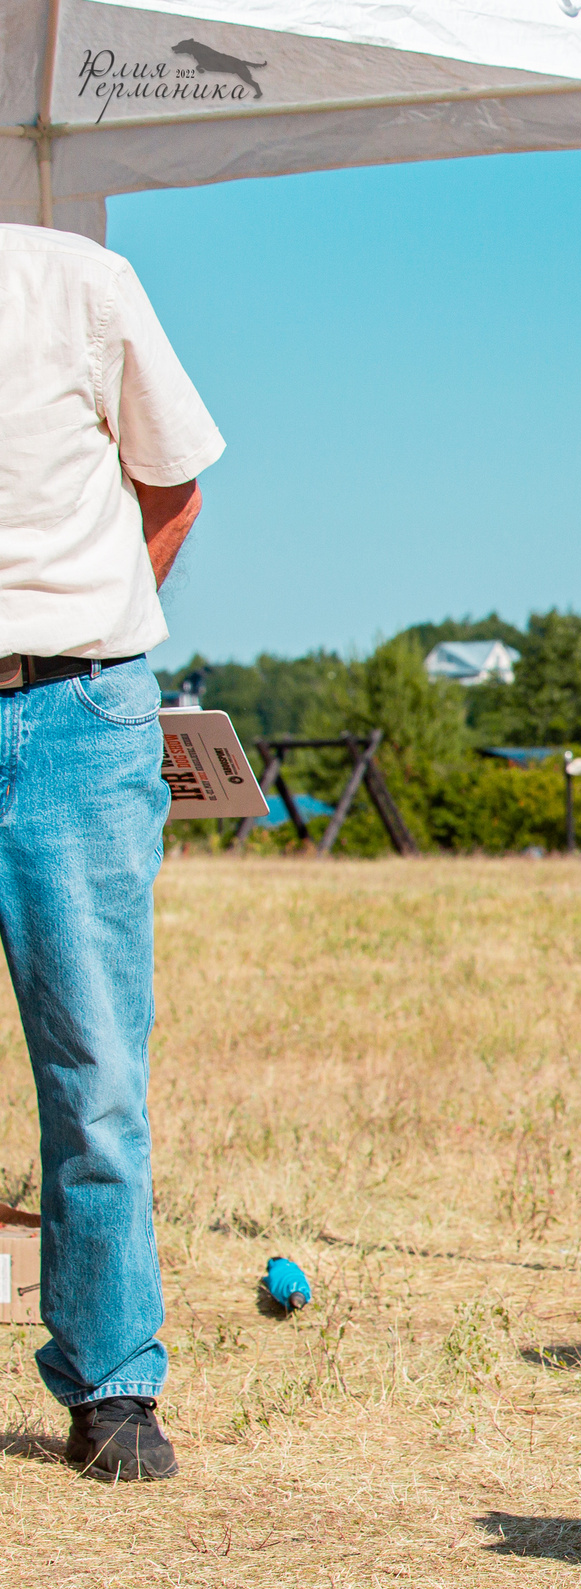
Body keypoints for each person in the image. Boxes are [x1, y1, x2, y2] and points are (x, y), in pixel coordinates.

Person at [0, 223, 225, 1480]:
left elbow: (176, 487)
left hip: (74, 713)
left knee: (92, 1067)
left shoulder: (79, 282)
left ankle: (111, 1385)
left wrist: (102, 627)